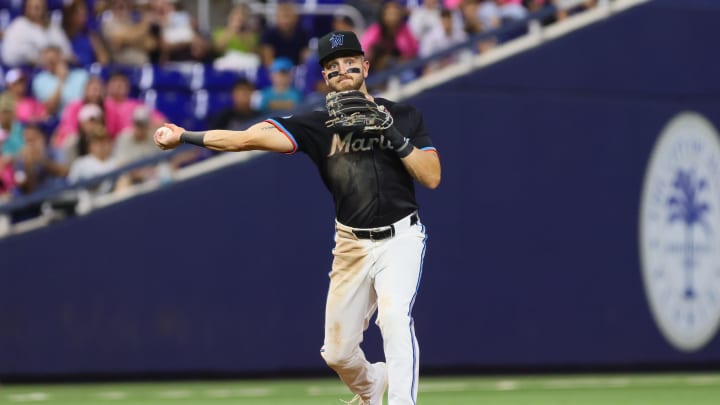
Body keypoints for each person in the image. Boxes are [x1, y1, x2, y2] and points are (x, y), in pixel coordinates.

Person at [154, 30, 441, 405]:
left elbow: (431, 175)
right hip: (352, 243)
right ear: (325, 78)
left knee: (394, 319)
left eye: (349, 62)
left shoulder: (402, 114)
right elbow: (245, 139)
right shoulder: (317, 125)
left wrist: (392, 133)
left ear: (365, 66)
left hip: (400, 238)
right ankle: (372, 383)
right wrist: (185, 136)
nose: (342, 70)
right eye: (332, 67)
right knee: (337, 354)